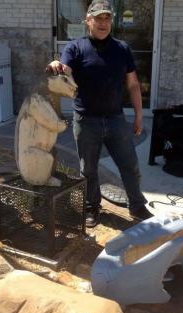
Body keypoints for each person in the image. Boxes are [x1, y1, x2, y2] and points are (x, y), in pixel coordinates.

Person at [46, 0, 153, 228]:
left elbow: (133, 85)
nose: (103, 23)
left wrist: (139, 116)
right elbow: (66, 71)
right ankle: (92, 207)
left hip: (116, 120)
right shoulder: (75, 47)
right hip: (86, 121)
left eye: (107, 18)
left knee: (130, 165)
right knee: (88, 170)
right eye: (98, 18)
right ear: (88, 21)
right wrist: (57, 64)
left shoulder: (122, 49)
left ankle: (136, 205)